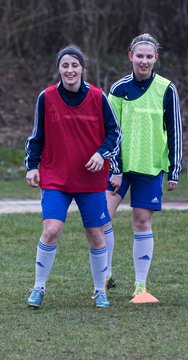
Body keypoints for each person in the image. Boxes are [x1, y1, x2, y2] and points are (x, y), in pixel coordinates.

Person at [25, 44, 122, 308]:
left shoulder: (99, 97)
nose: (70, 70)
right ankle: (38, 288)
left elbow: (115, 134)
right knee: (52, 230)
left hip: (90, 179)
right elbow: (37, 136)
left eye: (74, 65)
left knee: (96, 235)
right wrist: (32, 166)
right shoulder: (46, 97)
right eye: (65, 65)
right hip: (56, 176)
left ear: (82, 68)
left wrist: (102, 154)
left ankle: (100, 290)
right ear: (59, 68)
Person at [104, 33, 182, 297]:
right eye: (140, 56)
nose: (144, 61)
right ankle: (105, 275)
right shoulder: (118, 89)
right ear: (131, 57)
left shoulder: (166, 88)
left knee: (142, 222)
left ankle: (140, 285)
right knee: (101, 218)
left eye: (149, 56)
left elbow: (175, 131)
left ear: (156, 58)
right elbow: (109, 131)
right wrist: (113, 167)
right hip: (119, 168)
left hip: (149, 167)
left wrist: (174, 169)